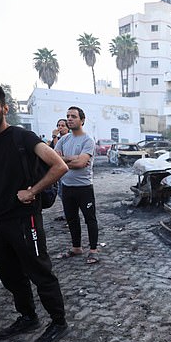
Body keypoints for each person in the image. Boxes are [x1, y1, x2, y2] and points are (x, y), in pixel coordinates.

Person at [0, 81, 69, 342]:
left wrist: (33, 190)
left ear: (4, 108)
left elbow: (59, 166)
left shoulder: (22, 137)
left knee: (40, 272)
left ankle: (58, 322)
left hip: (26, 219)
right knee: (10, 274)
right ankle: (28, 317)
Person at [54, 106, 100, 264]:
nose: (69, 119)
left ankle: (93, 250)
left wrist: (64, 160)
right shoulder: (63, 139)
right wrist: (72, 159)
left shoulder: (88, 140)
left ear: (82, 120)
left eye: (73, 116)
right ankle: (76, 247)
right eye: (68, 116)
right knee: (71, 218)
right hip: (67, 186)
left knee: (90, 219)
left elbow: (81, 163)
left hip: (84, 188)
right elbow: (54, 160)